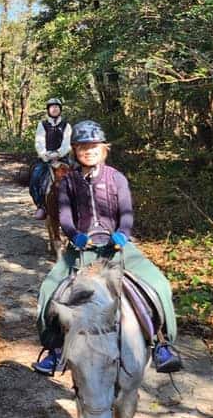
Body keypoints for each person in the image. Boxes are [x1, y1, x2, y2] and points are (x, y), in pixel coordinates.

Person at [32, 120, 182, 376]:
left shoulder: (116, 178)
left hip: (117, 249)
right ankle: (55, 349)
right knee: (48, 290)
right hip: (81, 251)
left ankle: (162, 343)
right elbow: (65, 217)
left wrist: (123, 234)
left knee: (160, 284)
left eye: (93, 146)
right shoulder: (68, 182)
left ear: (103, 149)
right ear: (75, 151)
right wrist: (75, 235)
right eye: (83, 147)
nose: (88, 151)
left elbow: (126, 213)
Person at [29, 98, 72, 220]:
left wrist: (59, 153)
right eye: (52, 107)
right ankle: (41, 206)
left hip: (62, 158)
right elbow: (39, 142)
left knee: (78, 176)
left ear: (60, 109)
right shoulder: (42, 125)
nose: (54, 109)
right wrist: (45, 155)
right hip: (45, 159)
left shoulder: (66, 125)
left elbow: (67, 143)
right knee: (35, 178)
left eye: (57, 107)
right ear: (48, 110)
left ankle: (79, 205)